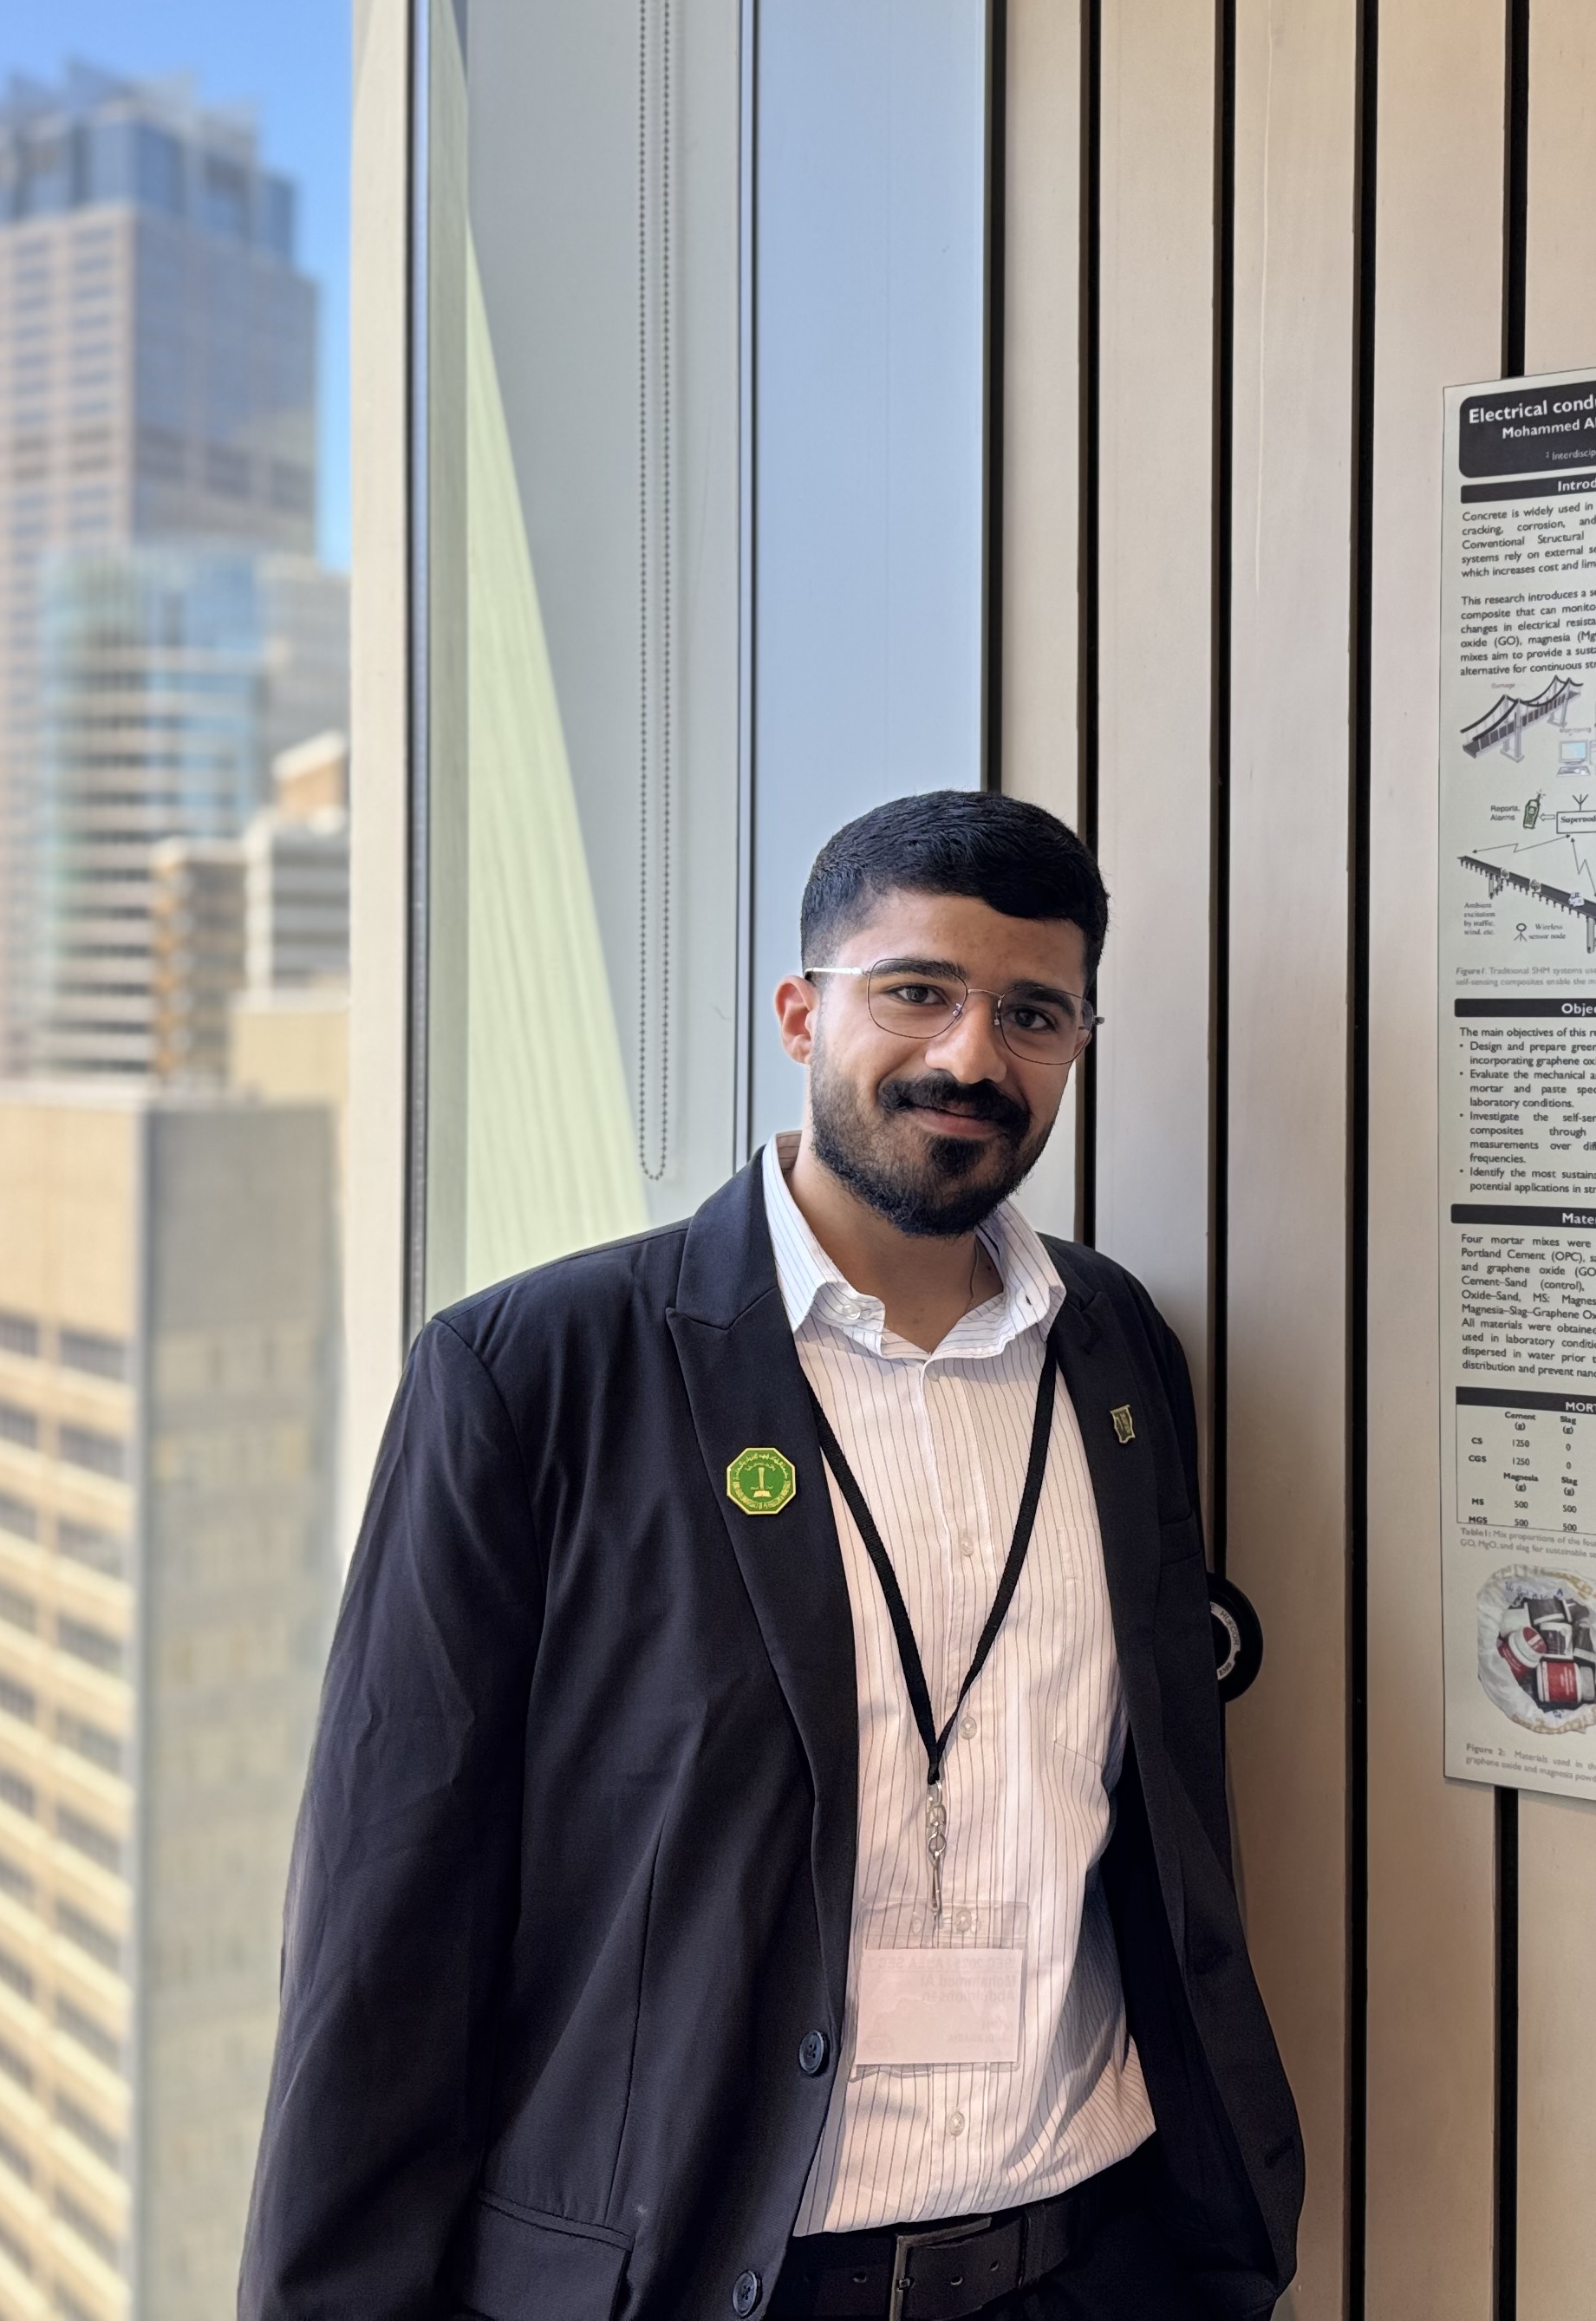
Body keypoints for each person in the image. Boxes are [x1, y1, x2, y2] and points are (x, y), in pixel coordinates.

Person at [239, 791, 1302, 2321]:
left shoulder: (1119, 1347)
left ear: (1076, 1043)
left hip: (1089, 2261)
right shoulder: (536, 1372)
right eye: (917, 992)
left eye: (1032, 1014)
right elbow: (386, 1924)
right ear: (803, 1013)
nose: (971, 1058)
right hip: (709, 2279)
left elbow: (1165, 1817)